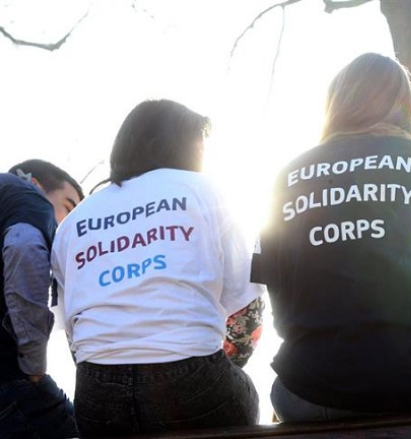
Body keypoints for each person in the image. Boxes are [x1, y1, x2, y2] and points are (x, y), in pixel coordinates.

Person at [254, 53, 411, 423]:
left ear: (336, 104)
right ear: (403, 105)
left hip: (310, 387)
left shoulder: (287, 175)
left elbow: (279, 292)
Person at [51, 99, 264, 436]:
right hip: (194, 387)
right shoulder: (209, 192)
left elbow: (76, 336)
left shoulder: (72, 224)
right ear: (186, 147)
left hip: (96, 398)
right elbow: (247, 314)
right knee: (246, 395)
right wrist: (212, 369)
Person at [1, 159, 83, 438]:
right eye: (69, 208)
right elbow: (24, 248)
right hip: (8, 382)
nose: (67, 225)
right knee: (82, 429)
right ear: (34, 182)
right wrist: (35, 368)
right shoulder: (29, 196)